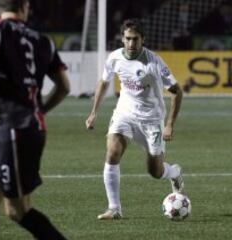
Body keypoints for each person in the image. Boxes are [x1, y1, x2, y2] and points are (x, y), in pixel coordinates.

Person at [0, 0, 69, 239]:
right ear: (25, 6)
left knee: (18, 210)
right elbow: (64, 87)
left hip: (15, 129)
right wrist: (40, 110)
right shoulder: (42, 40)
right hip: (21, 127)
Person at [85, 18, 184, 220]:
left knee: (155, 171)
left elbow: (177, 91)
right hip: (125, 113)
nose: (131, 44)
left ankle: (173, 172)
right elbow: (104, 82)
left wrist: (169, 125)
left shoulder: (154, 62)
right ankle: (114, 208)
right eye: (128, 39)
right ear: (122, 38)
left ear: (142, 40)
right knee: (112, 152)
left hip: (151, 120)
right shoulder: (114, 58)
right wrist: (94, 111)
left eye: (135, 39)